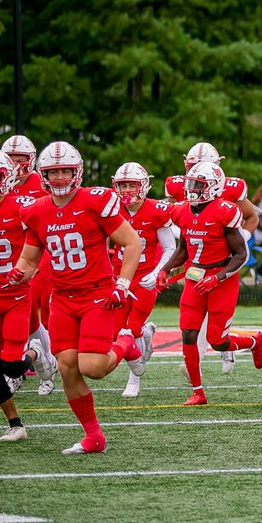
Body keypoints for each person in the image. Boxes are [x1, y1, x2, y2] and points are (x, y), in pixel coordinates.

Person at [13, 141, 145, 455]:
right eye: (53, 171)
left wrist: (123, 284)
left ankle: (126, 343)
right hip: (62, 299)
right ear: (43, 174)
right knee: (67, 366)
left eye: (65, 171)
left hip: (98, 295)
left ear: (77, 171)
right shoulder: (35, 210)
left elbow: (133, 242)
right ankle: (93, 436)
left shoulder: (96, 201)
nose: (59, 177)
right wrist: (16, 274)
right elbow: (30, 260)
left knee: (94, 367)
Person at [141, 161, 262, 405]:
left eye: (198, 185)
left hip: (222, 277)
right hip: (196, 276)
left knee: (218, 341)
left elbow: (241, 255)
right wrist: (163, 271)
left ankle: (254, 342)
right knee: (188, 332)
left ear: (213, 187)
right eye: (191, 184)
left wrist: (217, 278)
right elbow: (183, 249)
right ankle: (198, 391)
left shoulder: (225, 211)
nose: (192, 190)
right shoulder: (182, 211)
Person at [0, 147, 55, 442]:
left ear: (5, 178)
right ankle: (15, 424)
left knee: (12, 365)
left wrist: (30, 270)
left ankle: (36, 353)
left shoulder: (22, 208)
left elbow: (45, 239)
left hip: (16, 297)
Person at [164, 142, 258, 375]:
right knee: (190, 324)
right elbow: (180, 232)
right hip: (195, 260)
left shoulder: (228, 197)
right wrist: (163, 268)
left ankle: (224, 344)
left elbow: (251, 217)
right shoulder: (181, 190)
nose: (194, 176)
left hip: (222, 262)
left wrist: (239, 239)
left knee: (216, 327)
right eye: (193, 168)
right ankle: (197, 370)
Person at [111, 162, 175, 398]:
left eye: (132, 185)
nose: (127, 190)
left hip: (145, 276)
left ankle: (134, 379)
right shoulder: (111, 207)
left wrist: (157, 271)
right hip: (119, 277)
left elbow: (170, 248)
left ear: (144, 186)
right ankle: (147, 333)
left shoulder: (156, 210)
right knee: (116, 331)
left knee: (132, 326)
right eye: (123, 185)